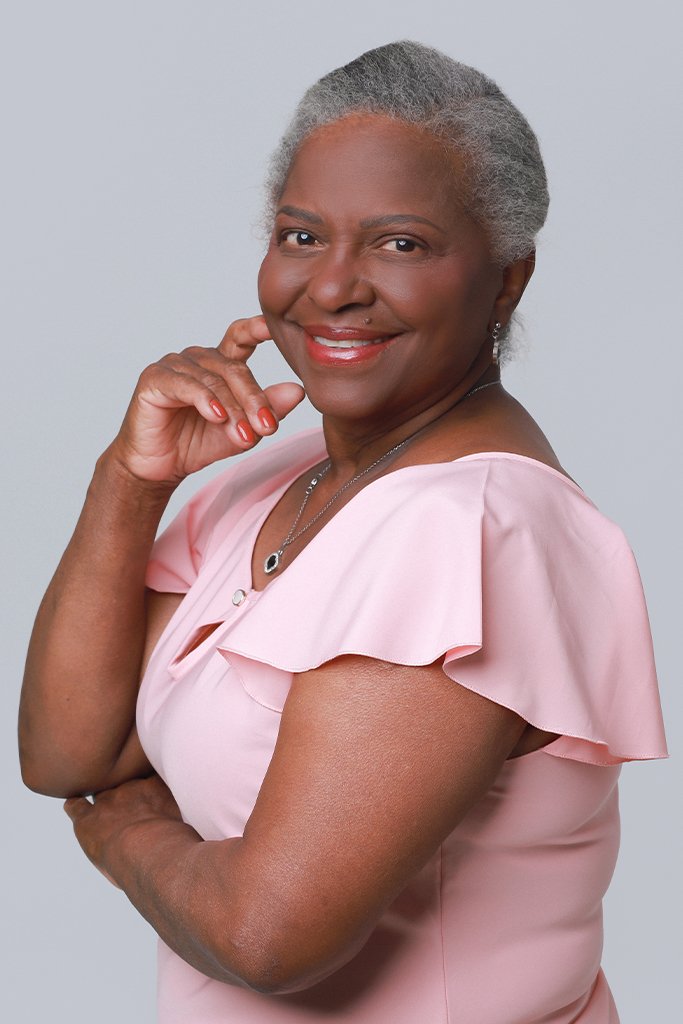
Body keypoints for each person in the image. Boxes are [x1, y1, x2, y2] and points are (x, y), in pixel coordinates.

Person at [19, 40, 667, 1024]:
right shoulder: (273, 483)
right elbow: (70, 753)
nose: (330, 288)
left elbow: (266, 933)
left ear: (506, 280)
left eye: (399, 244)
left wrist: (124, 832)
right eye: (300, 235)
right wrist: (129, 480)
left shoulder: (463, 531)